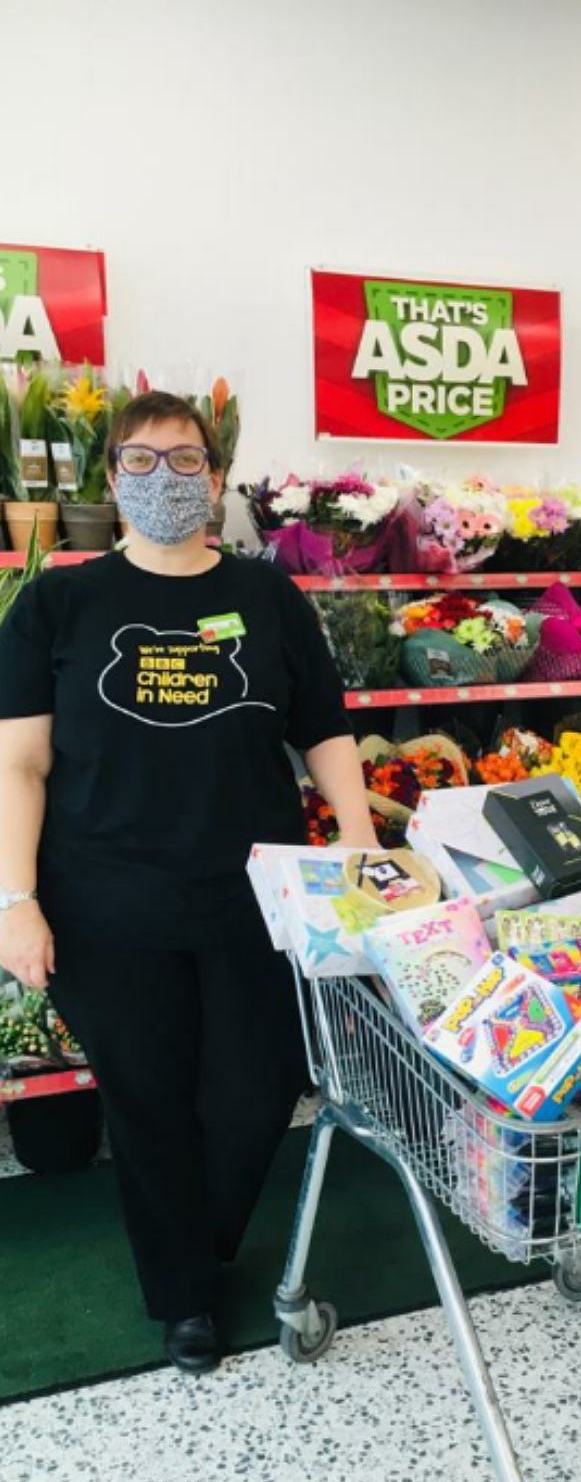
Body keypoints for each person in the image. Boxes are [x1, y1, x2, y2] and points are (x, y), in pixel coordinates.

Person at [0, 391, 376, 1373]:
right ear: (110, 477)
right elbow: (19, 765)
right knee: (149, 1100)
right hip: (104, 904)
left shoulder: (268, 597)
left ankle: (197, 1246)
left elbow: (324, 730)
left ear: (214, 479)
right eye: (140, 460)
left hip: (255, 898)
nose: (162, 478)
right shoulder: (58, 604)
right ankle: (185, 1300)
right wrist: (14, 900)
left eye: (184, 460)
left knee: (259, 1089)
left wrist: (359, 839)